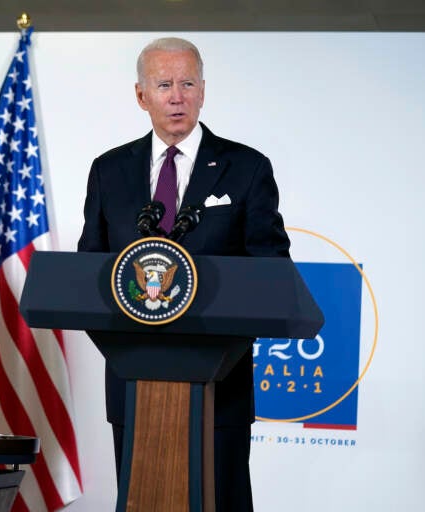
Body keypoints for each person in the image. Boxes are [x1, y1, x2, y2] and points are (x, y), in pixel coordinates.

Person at [77, 37, 290, 511]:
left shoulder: (247, 168)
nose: (177, 95)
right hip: (135, 381)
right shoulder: (109, 171)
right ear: (141, 96)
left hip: (220, 382)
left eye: (187, 83)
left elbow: (272, 270)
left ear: (203, 90)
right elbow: (89, 270)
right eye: (164, 84)